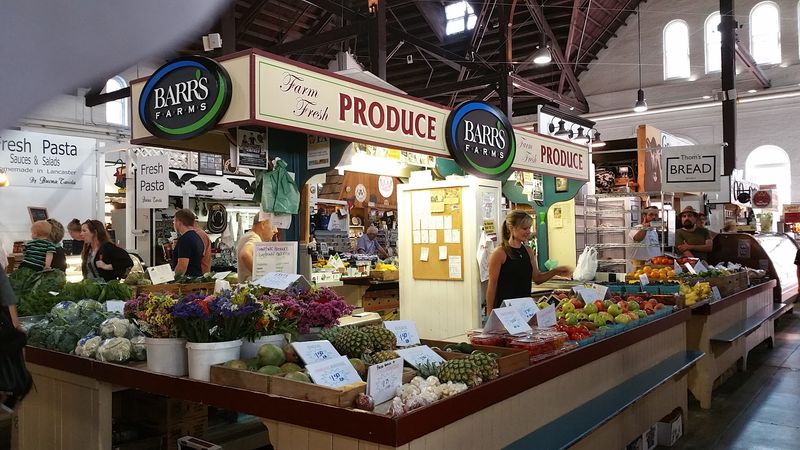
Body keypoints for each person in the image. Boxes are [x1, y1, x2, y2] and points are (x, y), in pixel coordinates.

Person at [486, 210, 572, 315]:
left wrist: (556, 271)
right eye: (524, 228)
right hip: (505, 311)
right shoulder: (500, 253)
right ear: (511, 228)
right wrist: (490, 315)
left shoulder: (528, 251)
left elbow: (537, 278)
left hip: (525, 309)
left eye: (529, 228)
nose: (528, 232)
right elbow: (492, 286)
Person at [236, 212, 277, 282]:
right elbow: (245, 254)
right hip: (251, 290)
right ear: (263, 224)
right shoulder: (255, 238)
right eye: (273, 226)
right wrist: (262, 277)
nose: (276, 230)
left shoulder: (247, 236)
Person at [172, 209, 205, 278]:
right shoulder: (197, 237)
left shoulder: (185, 239)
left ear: (179, 222)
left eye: (174, 221)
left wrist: (173, 281)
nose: (173, 223)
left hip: (187, 282)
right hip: (196, 279)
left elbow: (182, 266)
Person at [628, 206, 661, 271]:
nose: (654, 217)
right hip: (639, 267)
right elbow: (638, 238)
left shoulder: (654, 231)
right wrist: (645, 227)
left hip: (653, 266)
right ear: (644, 216)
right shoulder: (637, 228)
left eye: (656, 215)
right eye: (651, 214)